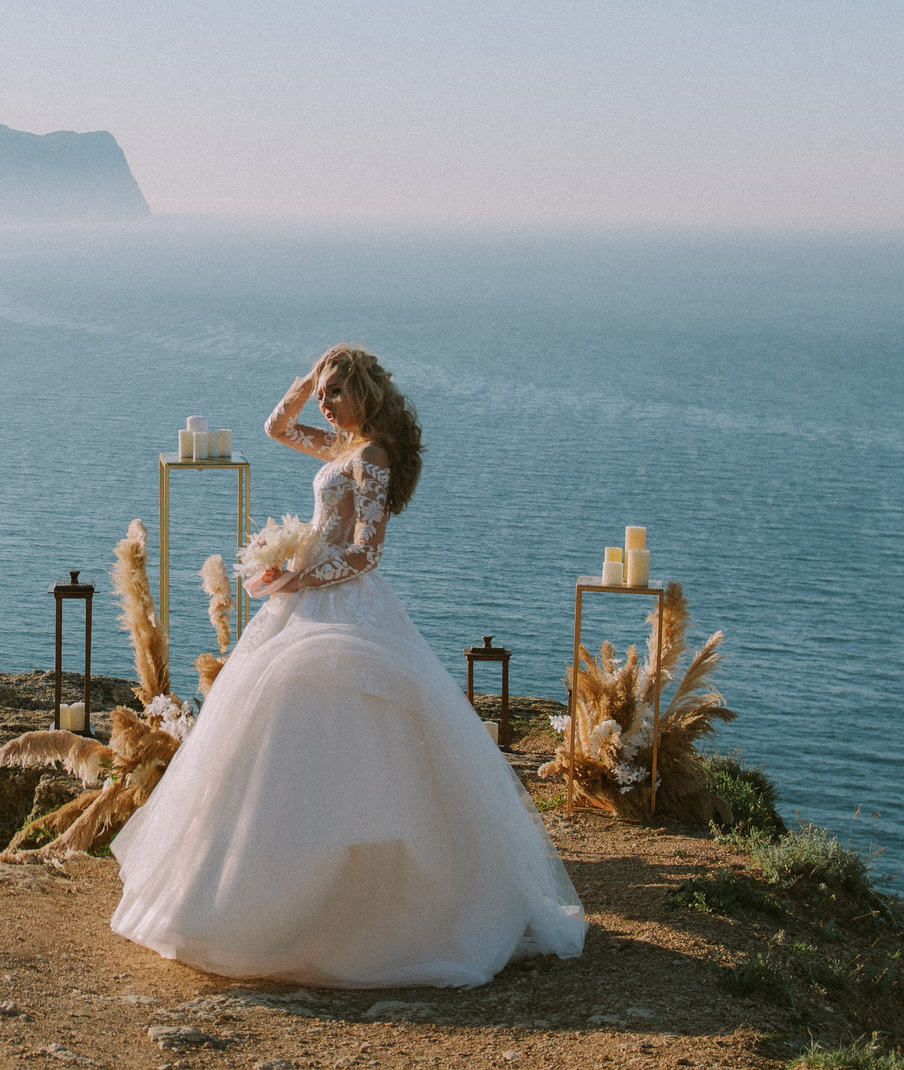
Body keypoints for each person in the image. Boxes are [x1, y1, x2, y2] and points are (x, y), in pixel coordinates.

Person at [108, 344, 587, 987]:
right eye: (325, 393)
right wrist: (308, 379)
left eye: (337, 391)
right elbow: (274, 429)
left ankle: (361, 897)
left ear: (366, 393)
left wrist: (296, 580)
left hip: (344, 607)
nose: (327, 403)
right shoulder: (340, 447)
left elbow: (367, 553)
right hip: (303, 602)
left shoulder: (373, 457)